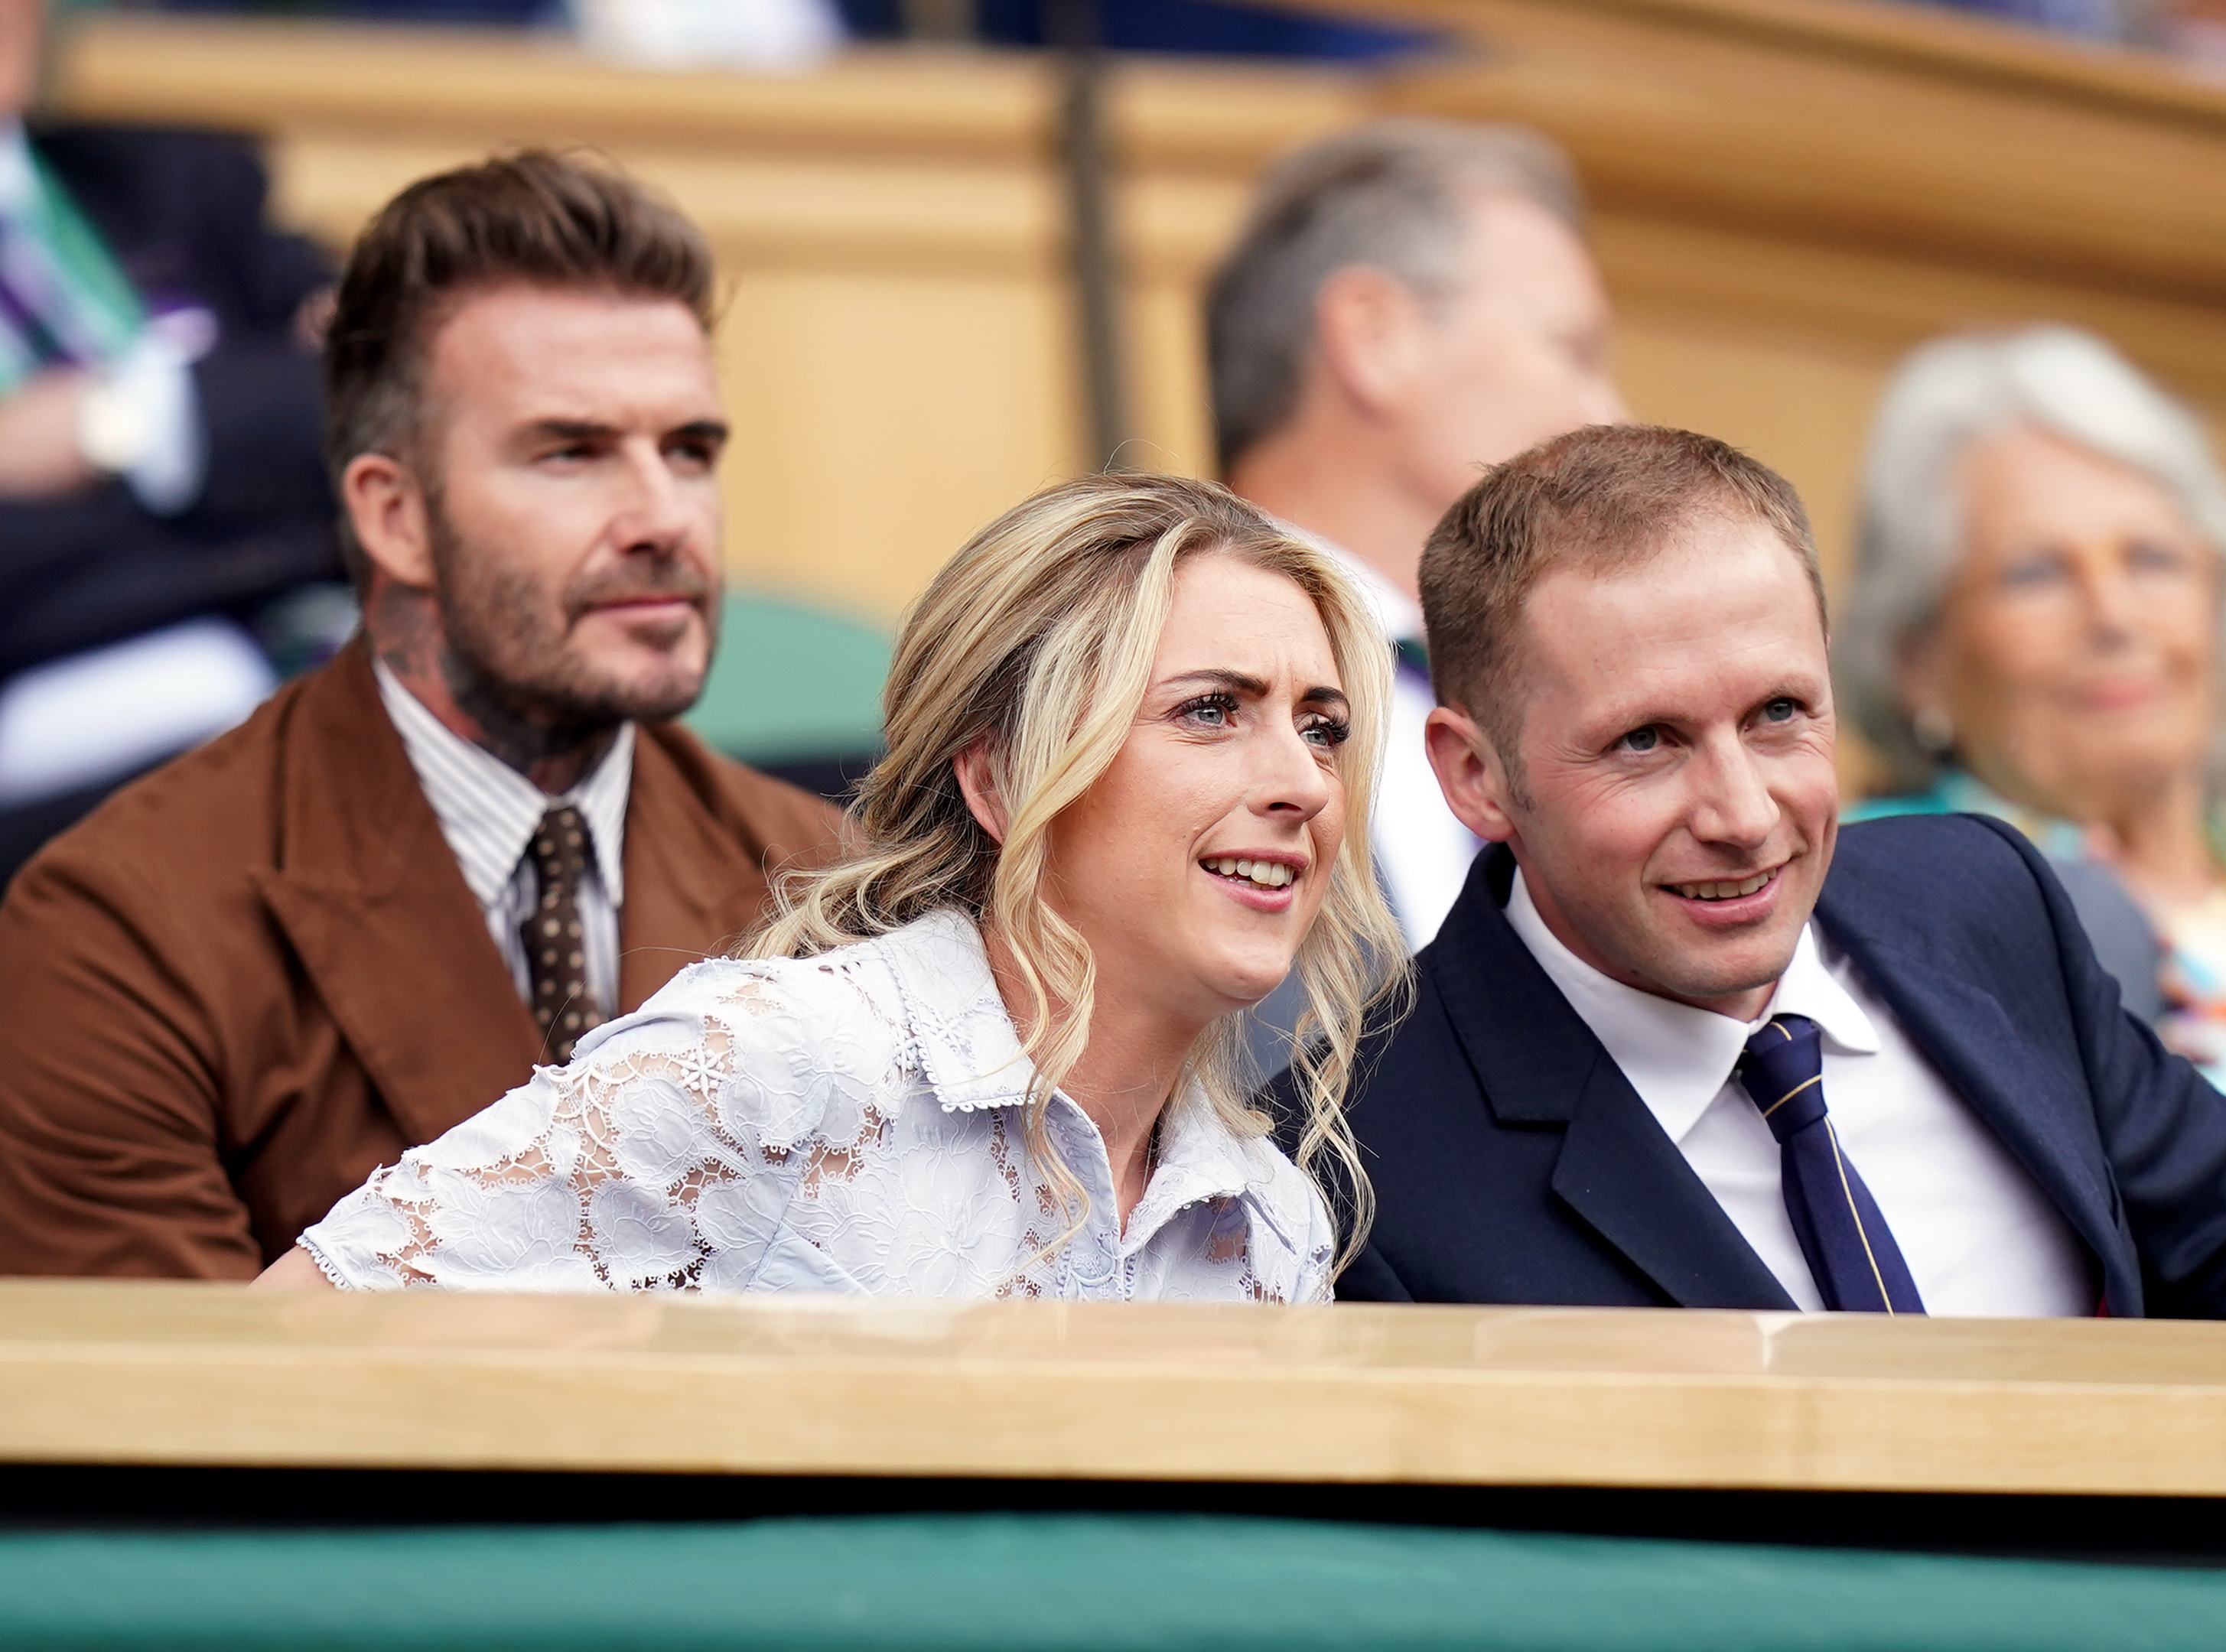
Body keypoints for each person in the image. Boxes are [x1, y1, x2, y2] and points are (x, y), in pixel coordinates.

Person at [1284, 422, 2226, 1320]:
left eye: (1779, 715)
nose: (1744, 816)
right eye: (1647, 742)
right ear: (1474, 776)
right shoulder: (1349, 1164)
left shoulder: (1982, 903)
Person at [0, 151, 844, 1280]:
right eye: (572, 453)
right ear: (394, 519)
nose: (662, 518)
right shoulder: (119, 931)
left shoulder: (839, 900)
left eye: (688, 451)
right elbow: (165, 1423)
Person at [257, 473, 1403, 1298]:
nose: (1301, 780)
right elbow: (282, 1345)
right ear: (1001, 779)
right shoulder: (776, 1066)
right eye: (1211, 709)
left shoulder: (1270, 1226)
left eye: (1323, 728)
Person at [1839, 325, 2226, 1324]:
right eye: (2035, 574)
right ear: (1917, 654)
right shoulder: (1879, 914)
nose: (2112, 613)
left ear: (2220, 612)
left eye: (2151, 559)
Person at [1209, 117, 1627, 950]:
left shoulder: (1529, 686)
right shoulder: (1124, 691)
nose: (1610, 415)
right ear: (1374, 338)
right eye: (1571, 350)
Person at [0, 0, 343, 882]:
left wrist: (123, 423)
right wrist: (261, 457)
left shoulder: (179, 178)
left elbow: (394, 387)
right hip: (79, 767)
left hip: (341, 662)